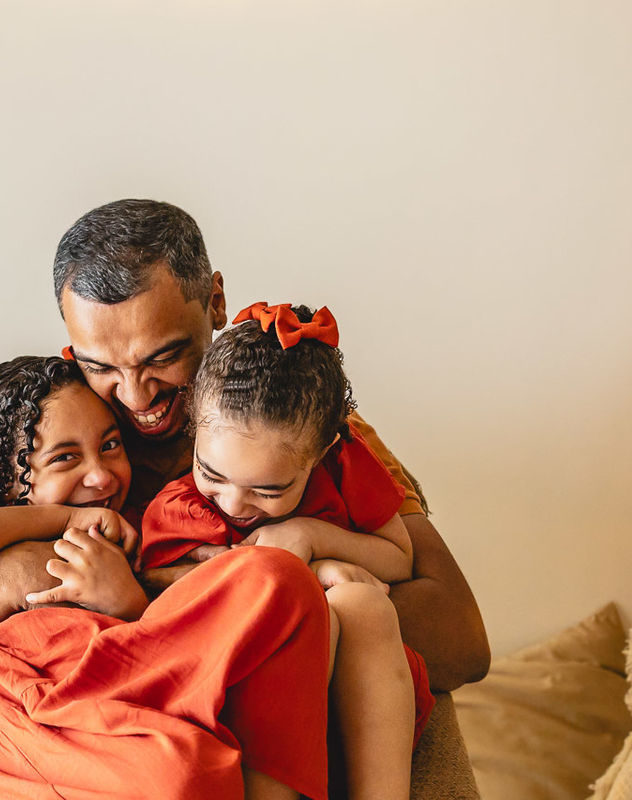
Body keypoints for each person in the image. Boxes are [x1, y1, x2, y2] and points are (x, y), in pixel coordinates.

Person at [0, 199, 489, 798]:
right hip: (97, 721)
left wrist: (284, 581)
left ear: (217, 303)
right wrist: (35, 567)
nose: (137, 398)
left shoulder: (288, 424)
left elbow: (459, 637)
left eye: (163, 357)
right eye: (101, 366)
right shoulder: (20, 430)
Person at [0, 354, 331, 799]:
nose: (99, 475)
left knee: (280, 579)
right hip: (33, 694)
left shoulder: (133, 523)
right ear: (10, 479)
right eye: (65, 458)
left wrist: (125, 599)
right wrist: (67, 518)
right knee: (188, 776)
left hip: (127, 673)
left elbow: (155, 635)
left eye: (110, 446)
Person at [136, 301, 435, 800]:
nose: (235, 502)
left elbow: (398, 560)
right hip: (237, 701)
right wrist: (295, 572)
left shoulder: (344, 468)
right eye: (211, 474)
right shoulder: (182, 508)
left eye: (270, 490)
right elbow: (158, 595)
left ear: (321, 453)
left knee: (361, 605)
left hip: (349, 710)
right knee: (315, 614)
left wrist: (314, 538)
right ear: (194, 426)